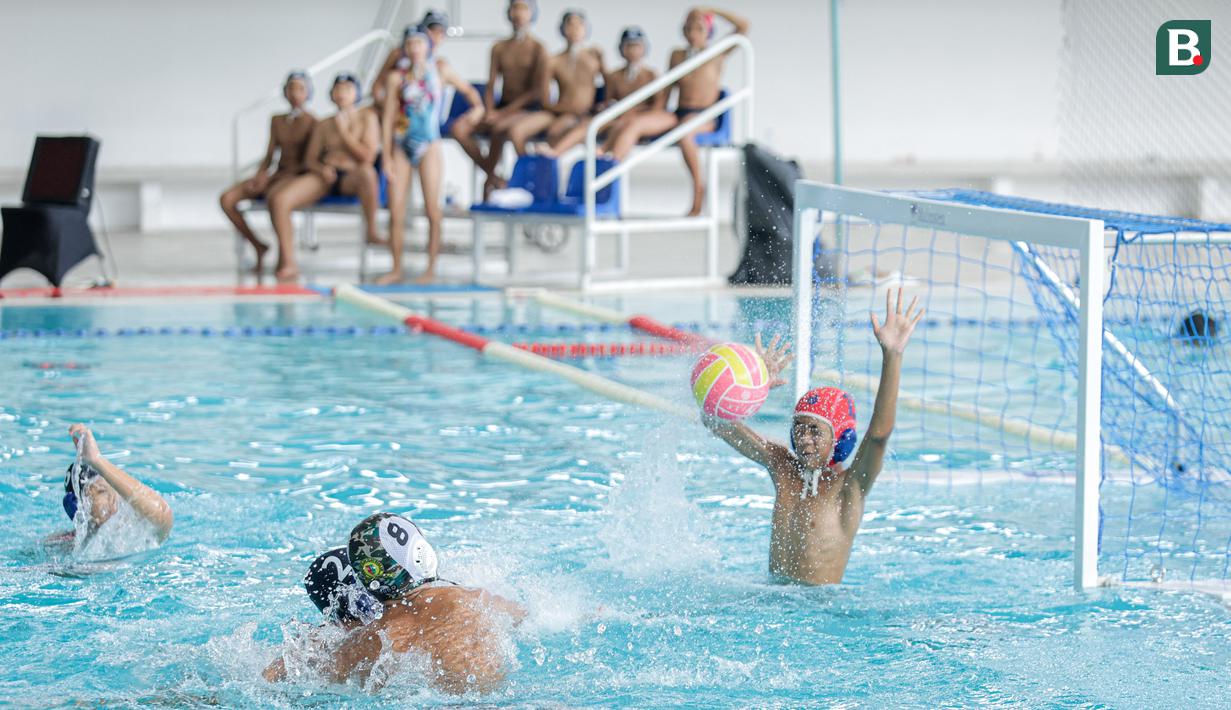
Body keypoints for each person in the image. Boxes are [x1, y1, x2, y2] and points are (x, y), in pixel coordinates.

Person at [701, 288, 923, 585]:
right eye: (799, 428)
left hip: (821, 608)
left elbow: (880, 435)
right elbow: (715, 423)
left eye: (815, 430)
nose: (804, 438)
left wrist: (892, 355)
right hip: (774, 599)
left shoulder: (850, 488)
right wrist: (754, 385)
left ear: (840, 438)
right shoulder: (783, 467)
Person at [264, 513, 525, 694]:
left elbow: (284, 681)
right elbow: (530, 619)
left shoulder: (367, 639)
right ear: (420, 553)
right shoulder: (473, 598)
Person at [603, 7, 749, 215]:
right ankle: (608, 171)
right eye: (689, 28)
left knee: (685, 133)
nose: (693, 34)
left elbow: (744, 26)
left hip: (703, 116)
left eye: (698, 28)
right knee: (635, 123)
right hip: (679, 112)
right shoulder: (677, 55)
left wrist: (711, 10)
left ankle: (699, 187)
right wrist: (653, 113)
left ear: (709, 31)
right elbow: (667, 89)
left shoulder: (717, 53)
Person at [379, 30, 482, 285]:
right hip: (402, 144)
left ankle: (431, 268)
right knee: (396, 209)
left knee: (432, 209)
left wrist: (476, 111)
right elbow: (389, 117)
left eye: (419, 43)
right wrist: (387, 156)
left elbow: (468, 91)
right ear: (404, 48)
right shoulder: (396, 77)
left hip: (430, 144)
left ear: (428, 46)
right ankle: (395, 268)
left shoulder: (440, 70)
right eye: (410, 43)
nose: (415, 48)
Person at [267, 74, 381, 283]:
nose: (342, 94)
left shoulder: (367, 118)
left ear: (356, 93)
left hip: (352, 177)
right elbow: (310, 159)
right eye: (338, 89)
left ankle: (371, 230)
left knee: (368, 173)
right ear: (331, 94)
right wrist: (321, 170)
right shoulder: (324, 124)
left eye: (347, 89)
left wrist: (343, 131)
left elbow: (367, 157)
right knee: (279, 200)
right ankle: (288, 260)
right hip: (326, 176)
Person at [218, 72, 316, 276]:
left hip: (296, 176)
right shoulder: (277, 120)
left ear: (308, 93)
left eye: (300, 89)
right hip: (276, 174)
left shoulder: (314, 123)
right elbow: (270, 154)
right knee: (228, 199)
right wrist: (261, 175)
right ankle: (258, 245)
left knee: (277, 199)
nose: (295, 94)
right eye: (291, 88)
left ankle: (288, 259)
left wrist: (275, 179)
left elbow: (309, 161)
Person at [451, 0, 550, 197]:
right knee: (459, 129)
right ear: (509, 13)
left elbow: (537, 91)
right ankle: (494, 176)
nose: (519, 14)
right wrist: (489, 110)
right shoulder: (499, 48)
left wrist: (501, 113)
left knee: (499, 128)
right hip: (500, 108)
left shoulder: (539, 48)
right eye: (515, 8)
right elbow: (491, 84)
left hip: (527, 110)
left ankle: (519, 183)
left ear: (532, 14)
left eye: (524, 9)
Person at [544, 26, 662, 158]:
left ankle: (606, 153)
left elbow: (657, 106)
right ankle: (556, 152)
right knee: (588, 125)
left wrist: (633, 112)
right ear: (622, 49)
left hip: (633, 119)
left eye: (636, 46)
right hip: (615, 116)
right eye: (628, 46)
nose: (632, 51)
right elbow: (608, 100)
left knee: (623, 126)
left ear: (644, 49)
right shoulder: (615, 75)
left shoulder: (651, 75)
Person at [505, 9, 604, 156]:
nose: (575, 30)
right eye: (570, 25)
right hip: (556, 111)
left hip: (580, 114)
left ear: (586, 29)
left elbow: (610, 87)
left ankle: (548, 162)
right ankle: (530, 168)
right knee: (516, 131)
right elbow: (544, 98)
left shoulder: (595, 56)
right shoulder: (553, 61)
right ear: (562, 29)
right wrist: (563, 109)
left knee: (556, 131)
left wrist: (600, 106)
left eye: (579, 25)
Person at [55, 424, 173, 545]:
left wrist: (96, 461)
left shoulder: (132, 533)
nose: (113, 498)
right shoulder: (64, 544)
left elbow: (163, 515)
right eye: (101, 492)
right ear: (78, 506)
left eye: (114, 489)